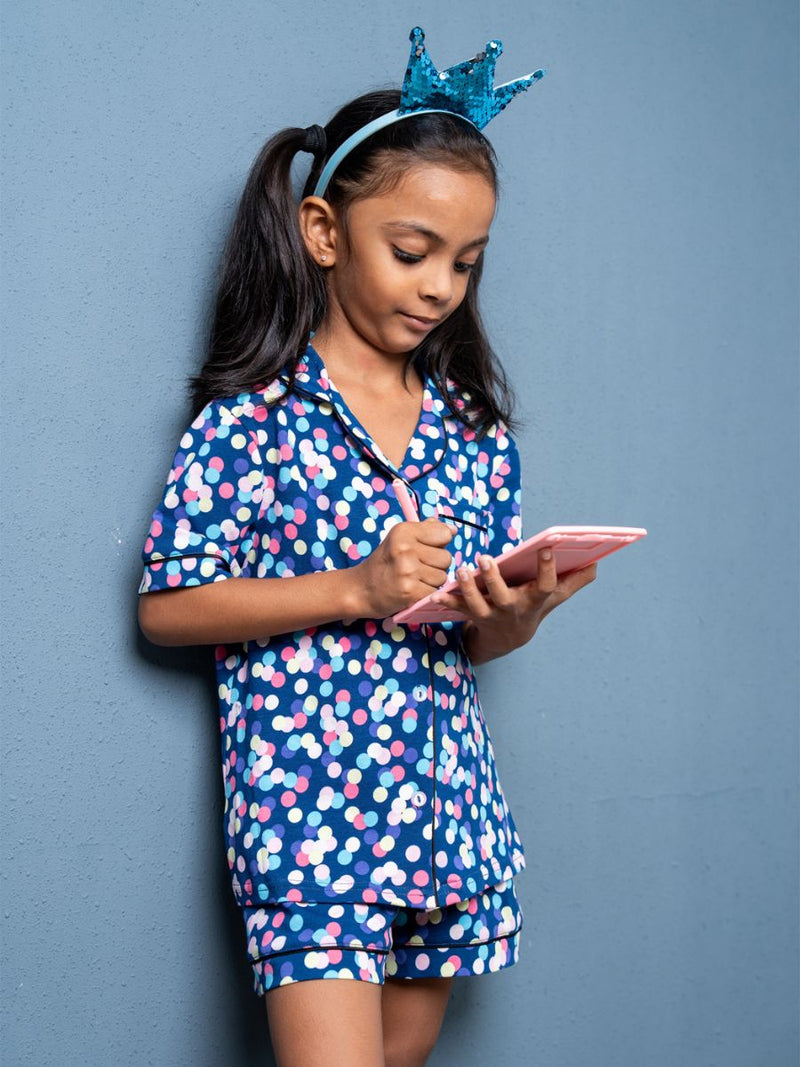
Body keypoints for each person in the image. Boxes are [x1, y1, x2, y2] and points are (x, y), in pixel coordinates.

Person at [137, 27, 597, 1067]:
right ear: (323, 230)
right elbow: (168, 604)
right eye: (412, 250)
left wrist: (509, 619)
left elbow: (462, 642)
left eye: (466, 263)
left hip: (446, 814)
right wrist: (353, 583)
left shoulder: (475, 432)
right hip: (311, 820)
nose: (440, 285)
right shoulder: (253, 419)